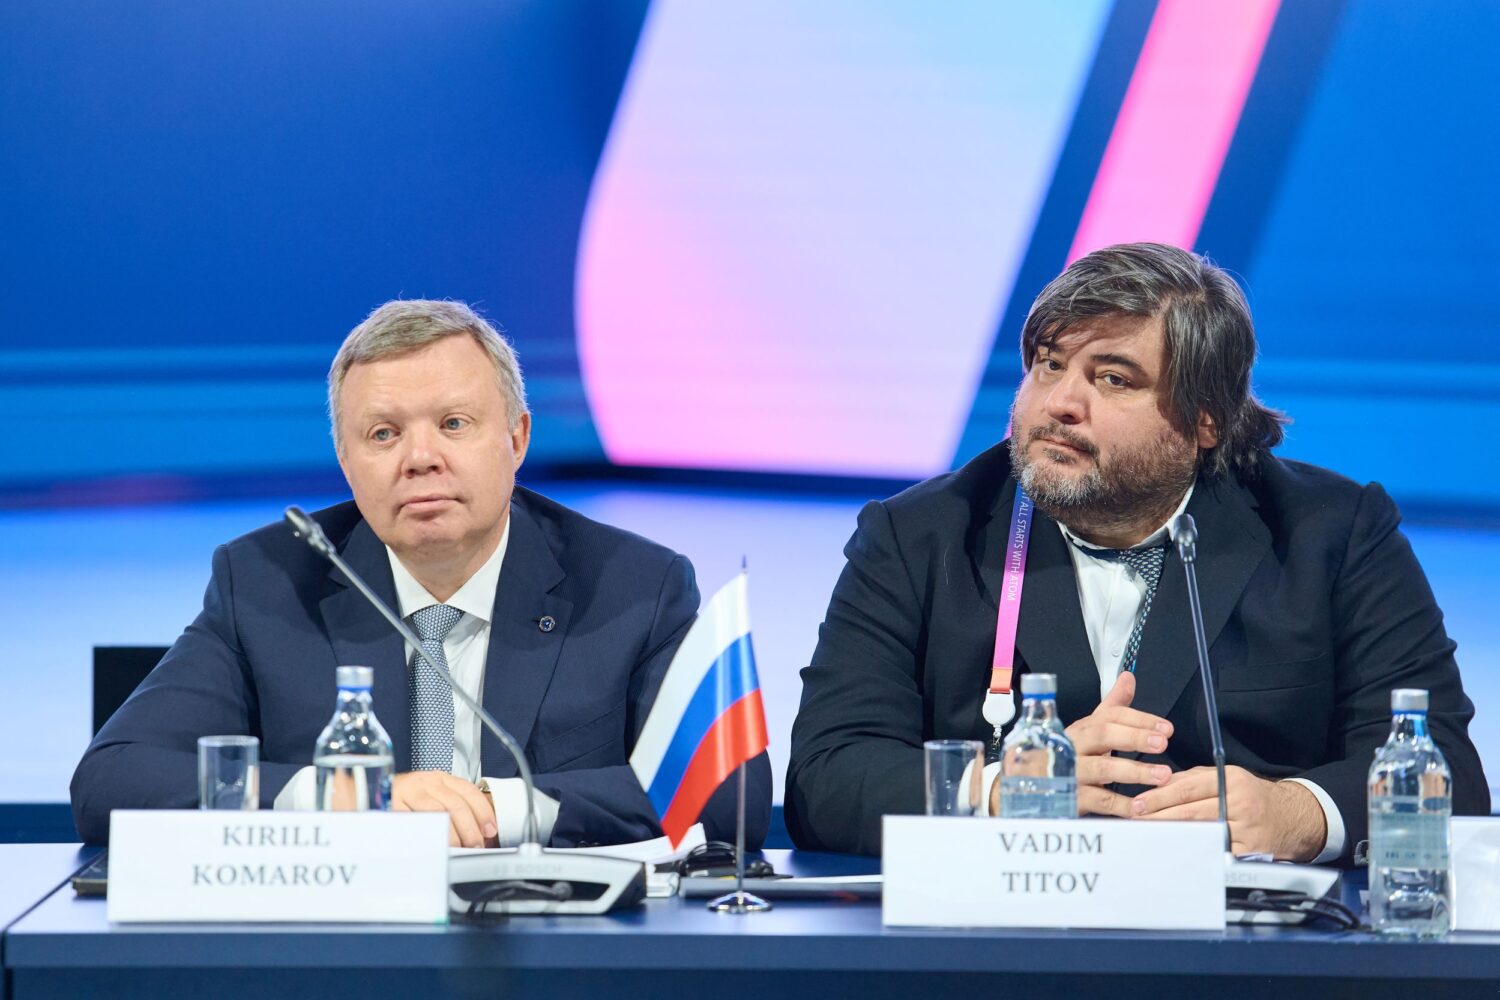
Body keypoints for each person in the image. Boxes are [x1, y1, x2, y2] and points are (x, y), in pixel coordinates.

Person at [785, 243, 1488, 863]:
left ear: (1206, 420)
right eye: (1049, 364)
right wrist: (999, 789)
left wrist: (1298, 815)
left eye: (1113, 379)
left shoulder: (1329, 534)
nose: (1060, 402)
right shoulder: (922, 537)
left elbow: (1448, 769)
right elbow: (826, 777)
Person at [72, 299, 771, 848]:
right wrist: (344, 797)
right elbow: (112, 779)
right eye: (383, 434)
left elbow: (728, 796)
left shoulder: (634, 586)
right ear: (346, 463)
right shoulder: (265, 583)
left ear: (517, 438)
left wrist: (500, 809)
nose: (420, 458)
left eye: (455, 423)